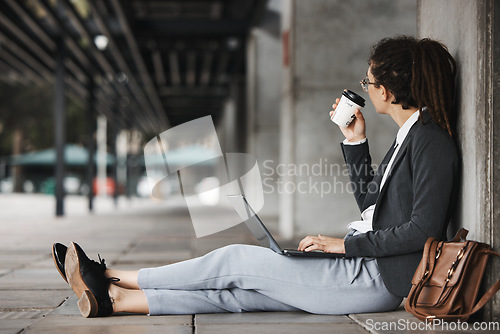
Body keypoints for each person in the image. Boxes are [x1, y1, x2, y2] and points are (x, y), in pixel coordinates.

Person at [52, 35, 460, 317]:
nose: (366, 89)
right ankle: (114, 302)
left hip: (377, 279)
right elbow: (375, 207)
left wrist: (343, 246)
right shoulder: (410, 135)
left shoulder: (430, 142)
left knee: (235, 259)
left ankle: (107, 275)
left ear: (386, 91)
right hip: (367, 268)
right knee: (241, 293)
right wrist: (355, 142)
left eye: (368, 82)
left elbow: (421, 231)